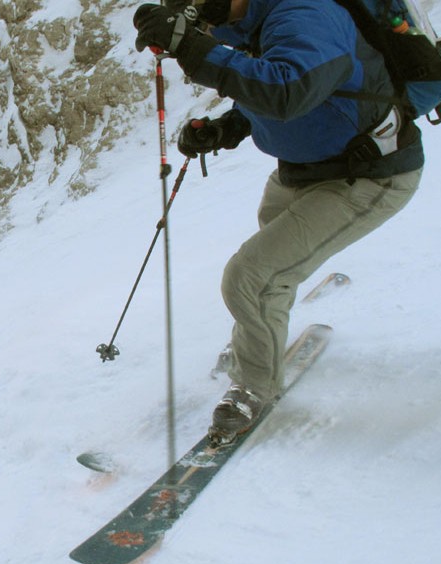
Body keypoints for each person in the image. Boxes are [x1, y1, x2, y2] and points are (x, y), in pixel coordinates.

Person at [132, 0, 423, 444]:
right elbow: (282, 83)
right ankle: (259, 341)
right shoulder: (250, 20)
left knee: (252, 276)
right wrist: (227, 127)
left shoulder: (307, 13)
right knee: (270, 270)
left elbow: (288, 90)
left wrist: (191, 46)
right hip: (305, 169)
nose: (194, 8)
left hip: (364, 177)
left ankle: (255, 386)